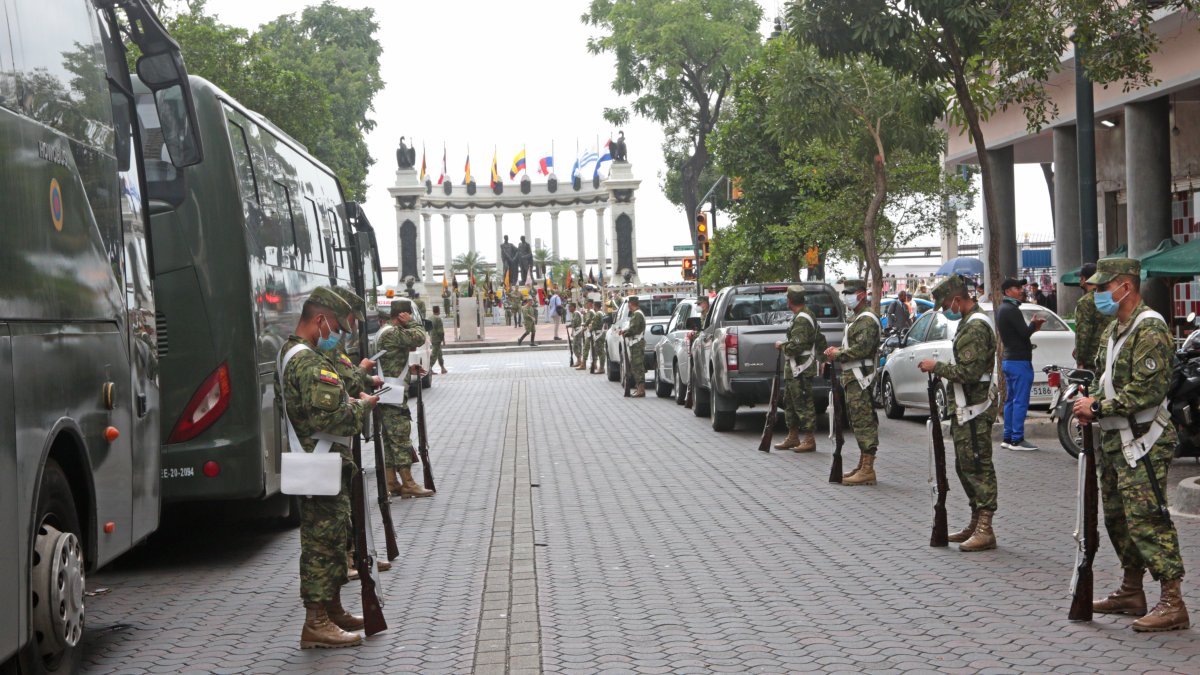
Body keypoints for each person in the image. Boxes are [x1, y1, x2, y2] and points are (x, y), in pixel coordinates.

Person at [1072, 258, 1189, 632]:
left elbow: (1146, 390)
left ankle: (1172, 601)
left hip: (1143, 440)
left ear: (1125, 286)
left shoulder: (1149, 328)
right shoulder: (1115, 329)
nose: (1098, 295)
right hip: (1114, 437)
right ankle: (1130, 589)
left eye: (1104, 288)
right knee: (1118, 519)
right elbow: (1104, 375)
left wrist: (1098, 406)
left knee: (1147, 519)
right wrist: (1085, 400)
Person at [277, 287, 377, 649]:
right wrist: (363, 406)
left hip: (321, 462)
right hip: (319, 463)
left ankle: (332, 610)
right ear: (319, 320)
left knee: (334, 541)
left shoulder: (293, 353)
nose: (338, 334)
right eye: (336, 326)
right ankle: (316, 622)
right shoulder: (307, 361)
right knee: (322, 546)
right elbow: (331, 417)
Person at [919, 275, 999, 552]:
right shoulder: (969, 323)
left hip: (976, 409)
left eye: (945, 304)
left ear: (956, 299)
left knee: (978, 466)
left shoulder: (975, 327)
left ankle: (985, 528)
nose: (946, 310)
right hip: (966, 409)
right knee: (965, 466)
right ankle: (976, 521)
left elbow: (970, 372)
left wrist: (936, 366)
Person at [328, 286, 391, 579]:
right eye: (351, 319)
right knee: (335, 509)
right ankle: (349, 558)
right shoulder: (322, 348)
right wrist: (363, 371)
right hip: (328, 441)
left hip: (345, 436)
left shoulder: (335, 346)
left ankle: (358, 553)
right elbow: (345, 380)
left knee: (350, 501)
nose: (351, 327)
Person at [824, 280, 881, 485]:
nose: (846, 297)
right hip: (853, 379)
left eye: (850, 293)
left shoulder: (866, 320)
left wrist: (838, 354)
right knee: (858, 421)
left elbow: (861, 350)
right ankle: (862, 464)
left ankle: (868, 469)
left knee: (863, 422)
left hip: (860, 379)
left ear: (861, 294)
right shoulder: (856, 319)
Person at [376, 299, 434, 499]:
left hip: (387, 390)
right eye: (408, 315)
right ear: (403, 315)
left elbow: (390, 360)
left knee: (391, 439)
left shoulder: (383, 331)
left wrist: (408, 369)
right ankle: (408, 483)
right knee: (400, 438)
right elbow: (419, 338)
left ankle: (392, 481)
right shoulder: (393, 332)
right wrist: (414, 322)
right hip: (393, 393)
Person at [774, 286, 826, 452]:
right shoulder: (803, 315)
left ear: (790, 301)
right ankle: (793, 436)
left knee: (802, 403)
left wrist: (781, 346)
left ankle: (809, 439)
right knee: (790, 402)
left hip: (801, 368)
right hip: (795, 368)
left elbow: (796, 346)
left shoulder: (803, 319)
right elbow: (819, 338)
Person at [996, 278, 1046, 451]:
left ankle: (1008, 437)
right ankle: (1017, 439)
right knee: (1020, 402)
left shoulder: (1003, 309)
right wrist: (1034, 325)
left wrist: (1032, 326)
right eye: (1017, 288)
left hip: (1009, 361)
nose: (1021, 290)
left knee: (1010, 400)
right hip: (1019, 362)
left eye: (1021, 287)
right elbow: (1024, 334)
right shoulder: (1011, 310)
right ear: (1008, 291)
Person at [1074, 262, 1109, 371]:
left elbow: (1083, 334)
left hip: (1092, 361)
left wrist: (1080, 361)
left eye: (1081, 277)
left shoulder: (1086, 302)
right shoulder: (1109, 297)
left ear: (1084, 279)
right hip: (1110, 355)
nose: (1080, 280)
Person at [619, 295, 647, 397]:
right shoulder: (636, 314)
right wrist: (625, 331)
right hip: (635, 344)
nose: (628, 306)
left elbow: (634, 329)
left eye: (628, 304)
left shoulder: (637, 315)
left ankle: (641, 389)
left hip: (637, 344)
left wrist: (625, 333)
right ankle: (638, 388)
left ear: (631, 304)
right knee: (635, 366)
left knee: (638, 366)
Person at [589, 299, 607, 374]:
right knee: (600, 351)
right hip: (601, 334)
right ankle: (600, 366)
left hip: (598, 334)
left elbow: (595, 325)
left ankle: (602, 368)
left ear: (595, 306)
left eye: (593, 305)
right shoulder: (602, 313)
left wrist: (591, 327)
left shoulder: (597, 314)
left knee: (600, 351)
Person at [430, 305, 447, 374]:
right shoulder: (438, 319)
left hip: (432, 337)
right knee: (434, 354)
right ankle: (429, 368)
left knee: (439, 353)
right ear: (438, 310)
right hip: (437, 339)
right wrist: (443, 340)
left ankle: (442, 367)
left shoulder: (430, 318)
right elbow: (441, 331)